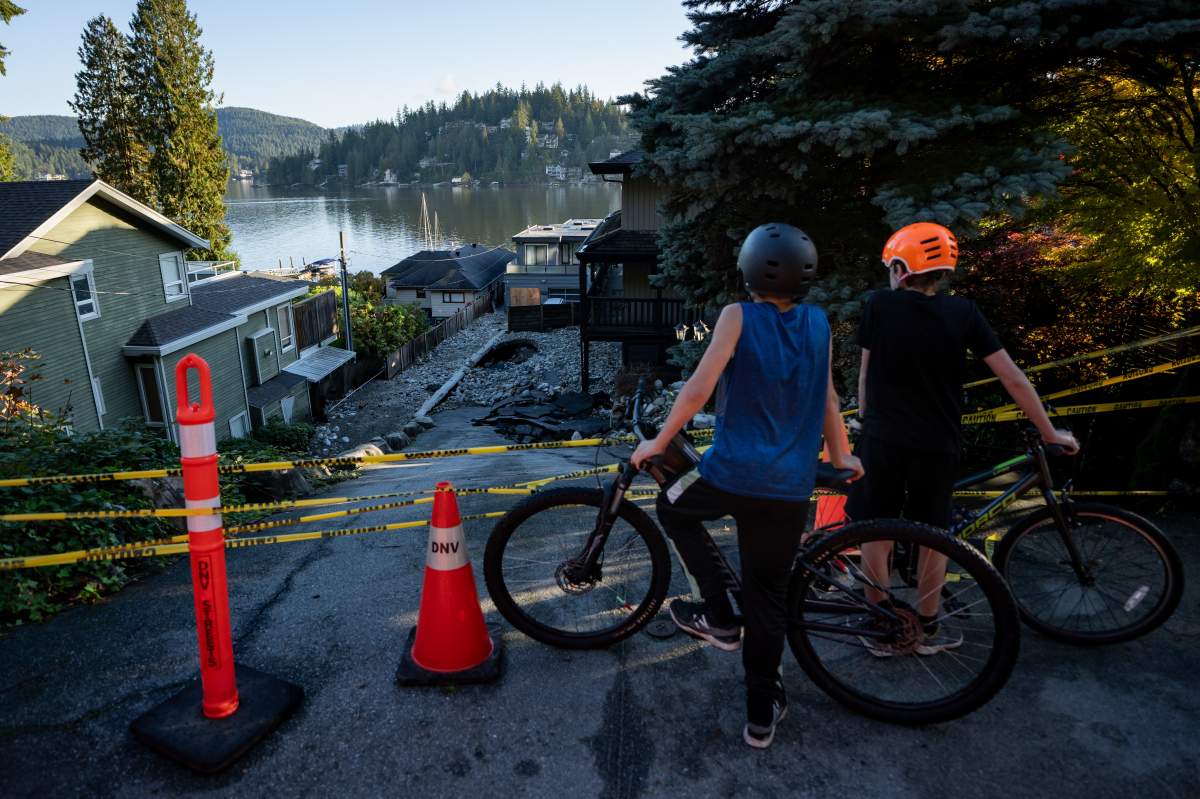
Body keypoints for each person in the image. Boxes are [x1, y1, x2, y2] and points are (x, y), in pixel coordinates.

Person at [631, 223, 862, 750]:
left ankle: (717, 616)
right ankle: (761, 716)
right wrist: (844, 455)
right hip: (788, 489)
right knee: (767, 601)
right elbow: (828, 398)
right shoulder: (819, 323)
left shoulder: (737, 316)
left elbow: (699, 386)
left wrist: (659, 440)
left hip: (729, 475)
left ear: (749, 270)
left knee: (673, 507)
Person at [845, 221, 1079, 656]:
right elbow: (1011, 376)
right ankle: (929, 627)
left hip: (883, 439)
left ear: (901, 267)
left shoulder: (879, 305)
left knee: (873, 529)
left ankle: (880, 625)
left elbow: (864, 373)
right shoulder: (964, 313)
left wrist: (864, 418)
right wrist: (1050, 431)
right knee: (935, 534)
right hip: (938, 443)